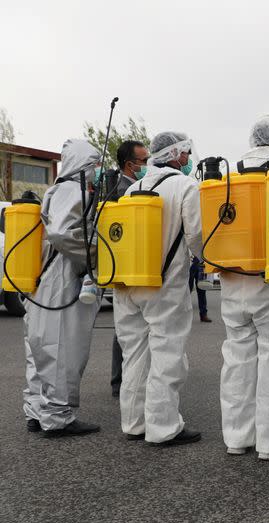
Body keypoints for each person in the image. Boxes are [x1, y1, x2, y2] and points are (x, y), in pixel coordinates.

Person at [219, 115, 269, 459]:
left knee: (237, 359)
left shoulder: (227, 176)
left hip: (231, 281)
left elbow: (201, 233)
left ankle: (237, 438)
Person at [114, 131, 203, 445]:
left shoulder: (133, 187)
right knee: (167, 353)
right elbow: (196, 236)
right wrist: (210, 260)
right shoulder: (185, 185)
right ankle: (163, 427)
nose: (189, 158)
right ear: (177, 154)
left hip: (128, 283)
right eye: (187, 152)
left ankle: (134, 422)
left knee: (134, 355)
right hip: (163, 284)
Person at [22, 139, 103, 436]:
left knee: (39, 346)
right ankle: (58, 418)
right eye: (94, 164)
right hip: (61, 277)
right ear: (83, 164)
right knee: (62, 345)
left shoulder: (56, 189)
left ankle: (36, 410)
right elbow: (60, 233)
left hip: (43, 277)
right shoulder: (74, 189)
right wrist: (95, 251)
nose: (96, 170)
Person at [110, 140, 149, 398]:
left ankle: (123, 378)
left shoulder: (126, 186)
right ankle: (120, 380)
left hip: (128, 266)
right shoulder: (123, 190)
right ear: (129, 164)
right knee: (126, 327)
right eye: (143, 161)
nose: (147, 165)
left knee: (125, 326)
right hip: (127, 266)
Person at [188, 256, 212, 322]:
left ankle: (203, 314)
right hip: (190, 263)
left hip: (201, 263)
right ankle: (182, 314)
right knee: (187, 290)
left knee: (202, 289)